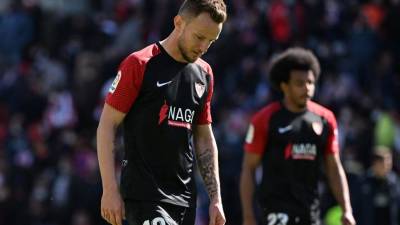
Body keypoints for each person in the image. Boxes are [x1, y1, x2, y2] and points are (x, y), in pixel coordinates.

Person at [96, 1, 227, 225]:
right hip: (145, 197)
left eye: (211, 41)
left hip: (185, 200)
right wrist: (109, 189)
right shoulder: (140, 64)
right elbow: (107, 125)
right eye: (199, 37)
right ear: (179, 22)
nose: (204, 47)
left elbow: (204, 137)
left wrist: (216, 199)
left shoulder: (204, 74)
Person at [239, 48, 356, 225]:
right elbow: (249, 168)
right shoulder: (264, 119)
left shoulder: (326, 119)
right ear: (284, 86)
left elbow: (334, 167)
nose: (307, 88)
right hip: (274, 213)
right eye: (300, 83)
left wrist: (346, 209)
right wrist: (248, 216)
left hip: (310, 212)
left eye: (310, 82)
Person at [358, 147, 400, 225]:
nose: (388, 167)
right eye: (385, 164)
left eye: (389, 163)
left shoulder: (394, 182)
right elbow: (356, 209)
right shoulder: (362, 183)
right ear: (375, 164)